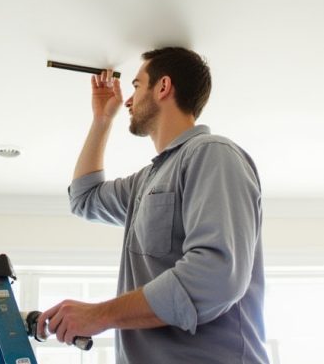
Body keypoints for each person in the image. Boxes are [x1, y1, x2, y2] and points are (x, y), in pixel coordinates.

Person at [37, 47, 268, 363]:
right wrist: (102, 120)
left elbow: (216, 276)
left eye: (135, 85)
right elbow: (84, 199)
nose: (128, 100)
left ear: (163, 87)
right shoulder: (145, 182)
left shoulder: (212, 153)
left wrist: (100, 315)